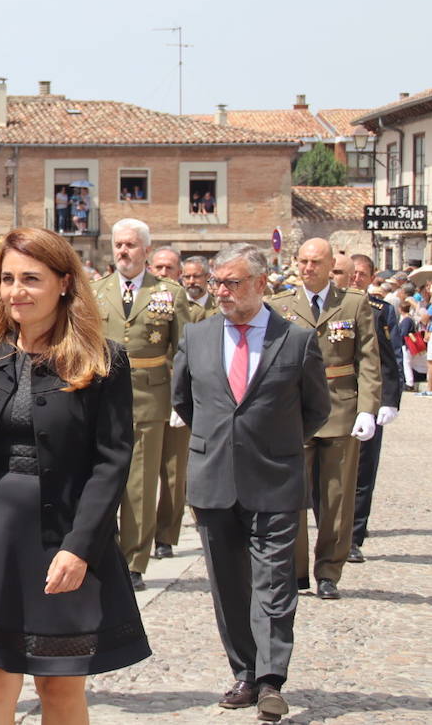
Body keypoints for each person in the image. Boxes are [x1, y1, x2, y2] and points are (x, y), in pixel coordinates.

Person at [0, 228, 150, 722]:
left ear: (64, 283)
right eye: (6, 279)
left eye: (31, 278)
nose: (15, 291)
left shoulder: (103, 360)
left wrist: (80, 546)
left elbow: (112, 461)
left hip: (62, 536)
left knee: (59, 685)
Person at [173, 243, 329, 722]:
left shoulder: (296, 340)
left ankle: (270, 680)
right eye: (217, 282)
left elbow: (316, 408)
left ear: (261, 284)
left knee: (275, 584)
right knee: (228, 584)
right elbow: (185, 401)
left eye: (232, 282)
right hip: (214, 477)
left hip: (276, 478)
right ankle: (243, 670)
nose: (221, 291)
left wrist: (272, 442)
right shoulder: (196, 337)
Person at [266, 238, 380, 599]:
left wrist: (368, 407)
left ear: (330, 264)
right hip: (294, 410)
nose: (307, 268)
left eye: (315, 262)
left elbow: (368, 359)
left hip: (340, 406)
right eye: (302, 261)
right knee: (292, 495)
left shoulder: (353, 303)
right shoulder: (280, 305)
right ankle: (295, 571)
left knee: (336, 495)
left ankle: (329, 569)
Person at [91, 218, 189, 590]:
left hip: (150, 396)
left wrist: (181, 400)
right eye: (118, 245)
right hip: (102, 398)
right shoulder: (95, 291)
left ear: (146, 250)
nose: (123, 252)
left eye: (131, 245)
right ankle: (104, 552)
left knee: (141, 485)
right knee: (102, 480)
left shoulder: (169, 293)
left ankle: (134, 561)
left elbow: (182, 352)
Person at [346, 253, 401, 564]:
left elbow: (388, 360)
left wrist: (390, 400)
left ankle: (354, 536)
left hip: (369, 399)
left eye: (362, 274)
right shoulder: (331, 307)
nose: (355, 279)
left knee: (363, 472)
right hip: (335, 399)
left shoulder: (381, 311)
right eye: (351, 273)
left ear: (371, 278)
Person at [149, 246, 200, 561]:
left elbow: (187, 353)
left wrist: (184, 397)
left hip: (172, 393)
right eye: (159, 267)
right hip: (143, 394)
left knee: (172, 471)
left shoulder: (178, 301)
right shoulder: (143, 297)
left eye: (169, 268)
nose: (163, 273)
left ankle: (165, 535)